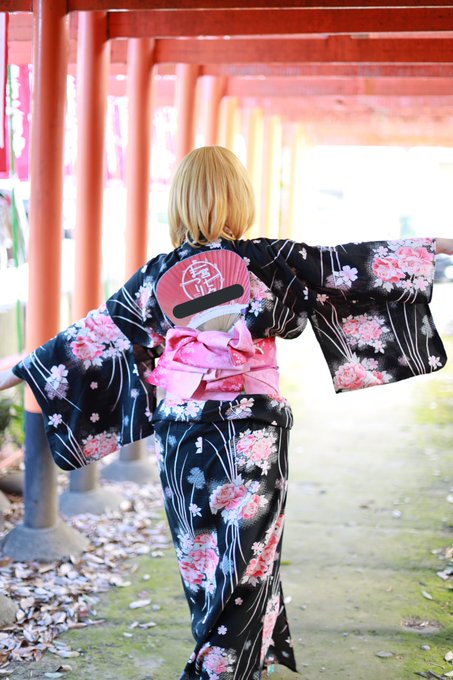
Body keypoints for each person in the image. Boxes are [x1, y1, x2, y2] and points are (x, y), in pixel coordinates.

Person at [0, 145, 453, 679]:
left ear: (180, 203)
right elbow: (351, 263)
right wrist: (439, 247)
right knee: (248, 569)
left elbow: (88, 339)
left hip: (184, 439)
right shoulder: (270, 260)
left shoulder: (157, 276)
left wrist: (15, 372)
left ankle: (230, 666)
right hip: (252, 438)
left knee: (203, 569)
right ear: (240, 198)